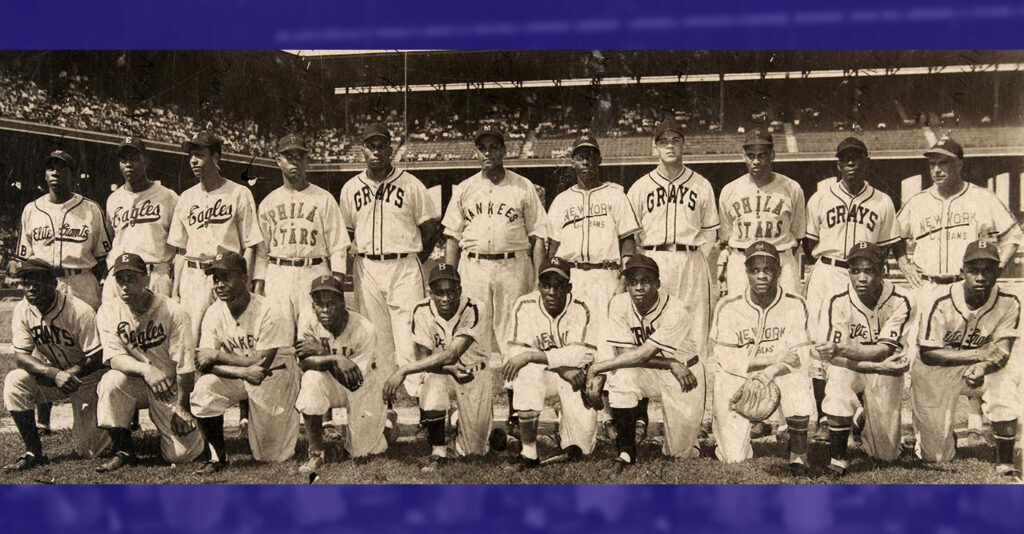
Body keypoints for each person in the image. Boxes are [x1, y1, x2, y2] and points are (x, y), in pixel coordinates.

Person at [894, 137, 1024, 443]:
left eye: (944, 163)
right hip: (929, 286)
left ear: (959, 165)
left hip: (967, 285)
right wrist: (903, 262)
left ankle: (976, 420)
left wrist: (997, 268)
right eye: (933, 164)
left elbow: (1013, 235)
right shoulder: (918, 201)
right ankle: (920, 424)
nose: (937, 170)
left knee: (973, 346)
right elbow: (893, 235)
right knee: (920, 354)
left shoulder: (982, 197)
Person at [443, 126, 547, 431]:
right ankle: (475, 415)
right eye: (483, 147)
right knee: (473, 339)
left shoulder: (523, 186)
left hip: (513, 266)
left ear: (504, 150)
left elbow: (538, 236)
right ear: (476, 152)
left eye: (493, 146)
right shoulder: (464, 188)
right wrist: (449, 277)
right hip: (473, 267)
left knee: (514, 339)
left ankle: (517, 413)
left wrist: (538, 279)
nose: (488, 152)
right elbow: (452, 237)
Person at [338, 123, 439, 436]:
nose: (376, 151)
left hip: (404, 266)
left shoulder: (411, 184)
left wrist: (413, 259)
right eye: (370, 145)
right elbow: (347, 232)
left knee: (412, 341)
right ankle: (386, 414)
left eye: (381, 145)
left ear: (390, 148)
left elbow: (430, 228)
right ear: (362, 150)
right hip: (367, 267)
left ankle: (427, 415)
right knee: (376, 344)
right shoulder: (350, 188)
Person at [626, 118, 720, 439]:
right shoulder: (640, 186)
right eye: (663, 140)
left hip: (690, 260)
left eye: (675, 140)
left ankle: (695, 419)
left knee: (694, 338)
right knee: (648, 335)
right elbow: (630, 236)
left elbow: (710, 235)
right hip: (653, 262)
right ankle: (639, 413)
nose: (670, 145)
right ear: (654, 146)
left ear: (683, 145)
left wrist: (700, 264)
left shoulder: (701, 184)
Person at [802, 137, 899, 442]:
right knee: (820, 343)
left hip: (862, 274)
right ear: (838, 164)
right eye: (845, 158)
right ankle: (824, 416)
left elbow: (886, 246)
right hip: (827, 270)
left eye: (857, 157)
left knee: (858, 339)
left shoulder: (882, 201)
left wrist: (866, 272)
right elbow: (809, 243)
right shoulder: (820, 198)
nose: (851, 163)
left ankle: (858, 411)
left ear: (867, 162)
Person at [548, 134, 640, 436]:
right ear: (572, 161)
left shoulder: (616, 195)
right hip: (572, 277)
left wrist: (624, 278)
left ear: (599, 159)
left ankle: (611, 415)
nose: (585, 161)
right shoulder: (562, 201)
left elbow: (628, 240)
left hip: (606, 275)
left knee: (608, 346)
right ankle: (573, 417)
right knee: (573, 345)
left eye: (590, 155)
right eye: (580, 155)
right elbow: (553, 247)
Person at [15, 149, 112, 435]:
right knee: (42, 343)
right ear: (45, 175)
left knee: (89, 344)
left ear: (73, 174)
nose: (56, 173)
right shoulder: (31, 210)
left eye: (62, 168)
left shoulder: (90, 209)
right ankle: (43, 419)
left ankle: (98, 411)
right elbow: (24, 257)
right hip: (43, 283)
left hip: (80, 279)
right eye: (51, 168)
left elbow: (103, 257)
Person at [912, 240, 1021, 480]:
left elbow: (1002, 353)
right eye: (973, 270)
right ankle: (938, 432)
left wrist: (982, 367)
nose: (980, 277)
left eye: (988, 270)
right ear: (962, 272)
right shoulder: (939, 300)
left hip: (981, 368)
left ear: (998, 272)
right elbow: (928, 354)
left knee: (1006, 381)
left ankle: (1005, 461)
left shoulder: (1009, 302)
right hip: (937, 368)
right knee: (935, 456)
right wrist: (978, 355)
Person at [585, 255, 705, 466]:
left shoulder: (677, 309)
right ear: (627, 285)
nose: (639, 288)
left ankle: (689, 440)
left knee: (679, 454)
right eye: (633, 282)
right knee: (623, 376)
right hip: (658, 369)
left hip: (685, 374)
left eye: (645, 281)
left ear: (658, 283)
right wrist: (669, 363)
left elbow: (643, 354)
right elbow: (625, 355)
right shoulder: (619, 303)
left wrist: (596, 368)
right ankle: (626, 452)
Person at [709, 241, 813, 477]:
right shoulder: (729, 305)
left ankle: (798, 453)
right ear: (746, 272)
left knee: (798, 377)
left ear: (779, 271)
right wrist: (771, 360)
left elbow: (799, 356)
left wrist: (770, 371)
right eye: (755, 270)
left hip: (779, 372)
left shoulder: (795, 303)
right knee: (734, 457)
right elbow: (726, 359)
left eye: (768, 269)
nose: (762, 276)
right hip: (739, 376)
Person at [190, 252, 299, 474]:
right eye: (216, 279)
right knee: (204, 389)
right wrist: (241, 372)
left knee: (271, 455)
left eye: (226, 277)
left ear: (244, 278)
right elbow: (203, 363)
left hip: (274, 376)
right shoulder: (213, 312)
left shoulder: (269, 310)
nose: (219, 285)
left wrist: (218, 356)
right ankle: (216, 457)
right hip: (241, 375)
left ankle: (261, 424)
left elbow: (261, 363)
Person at [94, 253, 204, 472]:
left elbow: (185, 367)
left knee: (182, 455)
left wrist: (182, 408)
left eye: (132, 278)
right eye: (120, 279)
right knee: (110, 381)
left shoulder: (173, 311)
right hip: (135, 381)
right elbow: (114, 358)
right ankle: (124, 450)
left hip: (170, 385)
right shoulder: (108, 310)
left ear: (146, 278)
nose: (125, 286)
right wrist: (146, 370)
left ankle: (195, 426)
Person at [813, 242, 913, 477]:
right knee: (837, 383)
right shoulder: (837, 298)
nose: (861, 278)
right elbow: (834, 358)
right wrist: (849, 354)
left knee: (885, 454)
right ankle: (838, 459)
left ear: (883, 271)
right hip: (853, 367)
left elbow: (883, 351)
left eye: (869, 270)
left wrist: (843, 349)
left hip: (886, 369)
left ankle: (860, 418)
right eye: (855, 270)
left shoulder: (901, 299)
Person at [382, 263, 492, 472]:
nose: (446, 298)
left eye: (451, 291)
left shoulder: (475, 307)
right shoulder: (421, 309)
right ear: (430, 292)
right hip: (442, 371)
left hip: (473, 372)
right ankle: (438, 449)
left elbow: (452, 354)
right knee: (432, 383)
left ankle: (457, 420)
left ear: (460, 289)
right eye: (439, 292)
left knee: (474, 451)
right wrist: (448, 370)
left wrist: (403, 370)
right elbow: (424, 359)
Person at [2, 259, 110, 471]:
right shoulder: (23, 309)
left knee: (91, 450)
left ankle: (113, 423)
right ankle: (33, 452)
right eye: (26, 283)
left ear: (53, 284)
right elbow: (21, 356)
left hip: (88, 379)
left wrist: (70, 373)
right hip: (54, 376)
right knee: (15, 381)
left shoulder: (79, 310)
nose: (31, 288)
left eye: (37, 282)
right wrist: (54, 374)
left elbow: (96, 357)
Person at [500, 257, 597, 470]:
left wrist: (533, 356)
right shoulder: (524, 304)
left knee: (582, 448)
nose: (551, 292)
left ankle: (563, 413)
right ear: (539, 286)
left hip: (574, 378)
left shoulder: (581, 307)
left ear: (569, 287)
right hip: (550, 373)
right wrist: (559, 367)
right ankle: (528, 452)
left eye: (558, 285)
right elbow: (517, 353)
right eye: (546, 285)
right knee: (526, 371)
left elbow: (579, 354)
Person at [167, 131, 263, 340]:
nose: (193, 160)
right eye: (191, 155)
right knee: (190, 339)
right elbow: (180, 250)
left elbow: (250, 245)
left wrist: (244, 283)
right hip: (193, 276)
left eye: (199, 155)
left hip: (226, 275)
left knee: (228, 337)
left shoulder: (239, 193)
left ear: (216, 157)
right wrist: (175, 291)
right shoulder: (186, 198)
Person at [293, 274, 388, 473]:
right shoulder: (308, 319)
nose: (325, 309)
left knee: (363, 452)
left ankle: (387, 427)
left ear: (343, 303)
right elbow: (305, 363)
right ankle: (315, 453)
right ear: (313, 306)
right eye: (319, 304)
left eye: (331, 303)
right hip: (330, 380)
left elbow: (354, 381)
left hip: (362, 386)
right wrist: (334, 358)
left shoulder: (364, 328)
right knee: (311, 379)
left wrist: (321, 353)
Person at [254, 133, 348, 324]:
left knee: (312, 332)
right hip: (278, 274)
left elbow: (338, 246)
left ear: (307, 160)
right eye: (289, 156)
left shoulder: (324, 199)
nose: (294, 161)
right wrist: (258, 285)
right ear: (278, 160)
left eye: (299, 156)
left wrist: (337, 283)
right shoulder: (268, 202)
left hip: (314, 272)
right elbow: (261, 253)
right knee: (278, 333)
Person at [718, 129, 806, 295]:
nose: (756, 161)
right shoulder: (729, 190)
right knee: (740, 309)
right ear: (743, 156)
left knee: (788, 309)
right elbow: (727, 234)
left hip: (782, 260)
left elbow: (797, 232)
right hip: (742, 261)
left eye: (762, 155)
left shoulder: (792, 188)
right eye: (751, 156)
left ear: (773, 155)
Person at [102, 136, 180, 302]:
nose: (128, 164)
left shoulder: (168, 196)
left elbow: (179, 244)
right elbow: (110, 238)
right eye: (123, 160)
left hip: (155, 274)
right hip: (120, 275)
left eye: (134, 159)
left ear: (146, 161)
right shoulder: (113, 199)